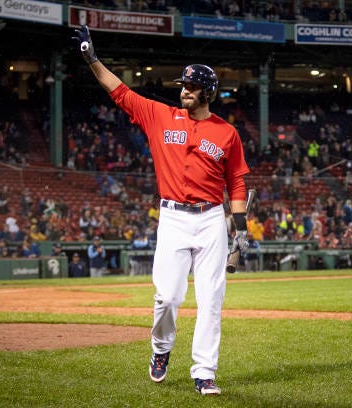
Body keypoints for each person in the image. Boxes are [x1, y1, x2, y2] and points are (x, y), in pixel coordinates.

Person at [72, 25, 250, 396]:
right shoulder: (160, 116)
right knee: (167, 297)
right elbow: (118, 91)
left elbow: (236, 182)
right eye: (182, 85)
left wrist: (241, 227)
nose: (183, 90)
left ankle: (204, 372)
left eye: (191, 86)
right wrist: (91, 58)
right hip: (172, 217)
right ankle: (160, 348)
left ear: (208, 92)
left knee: (211, 300)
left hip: (211, 221)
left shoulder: (227, 133)